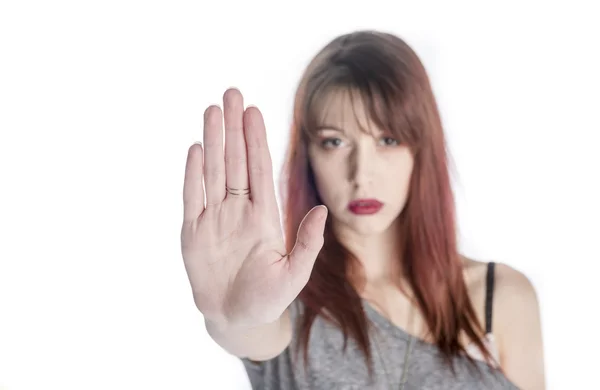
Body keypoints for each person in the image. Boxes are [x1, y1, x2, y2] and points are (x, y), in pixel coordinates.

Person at [181, 30, 545, 389]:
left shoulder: (502, 297)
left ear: (421, 148)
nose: (362, 174)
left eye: (388, 139)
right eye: (334, 142)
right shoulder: (283, 297)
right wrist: (230, 318)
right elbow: (252, 327)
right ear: (307, 155)